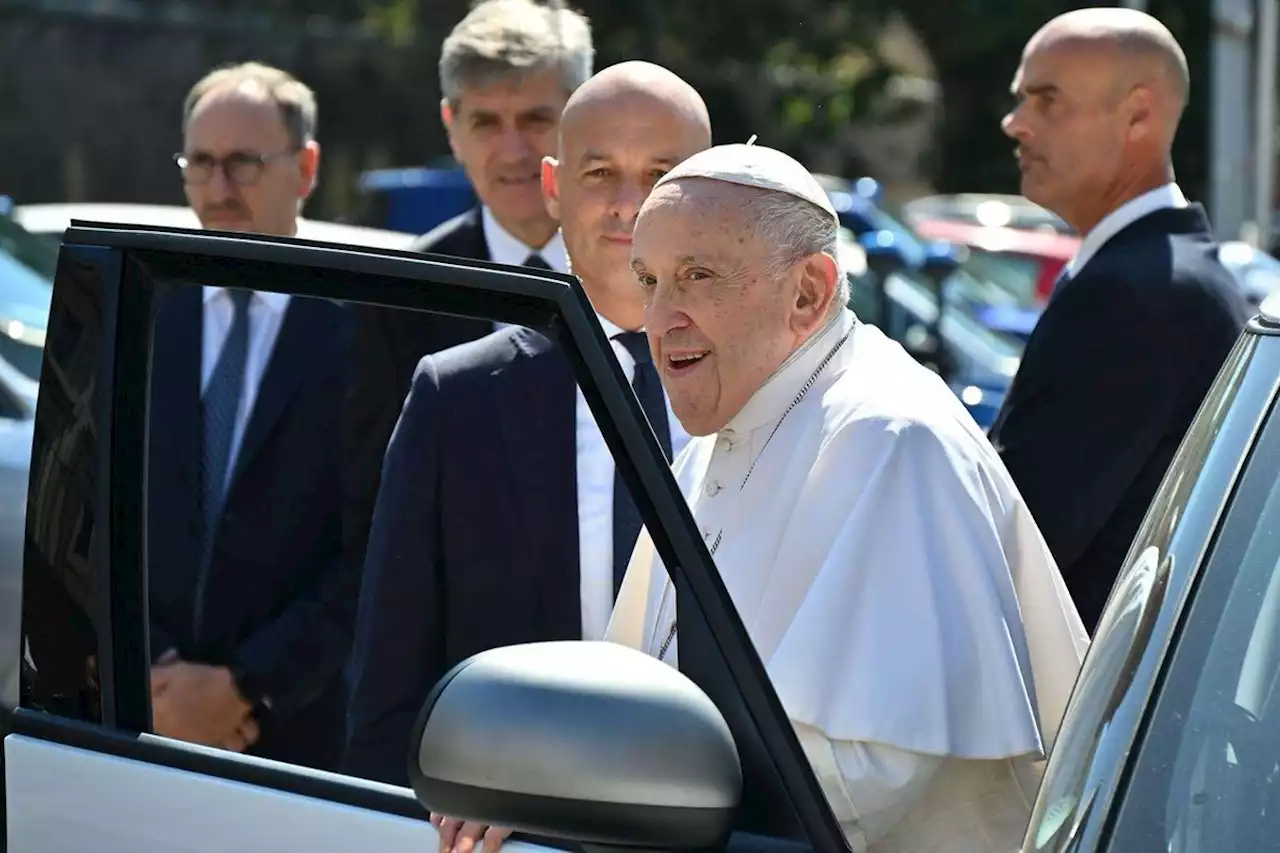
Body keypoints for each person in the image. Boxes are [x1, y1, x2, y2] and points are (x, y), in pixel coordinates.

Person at [431, 144, 1089, 853]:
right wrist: (544, 777)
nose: (658, 318)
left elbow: (857, 780)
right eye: (648, 280)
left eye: (697, 276)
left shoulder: (893, 439)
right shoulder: (721, 437)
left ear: (807, 292)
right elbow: (639, 694)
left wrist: (588, 799)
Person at [341, 61, 713, 786]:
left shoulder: (775, 395)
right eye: (600, 172)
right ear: (553, 187)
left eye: (661, 173)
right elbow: (387, 692)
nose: (630, 204)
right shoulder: (457, 397)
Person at [990, 7, 1250, 631]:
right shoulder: (1157, 276)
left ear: (1139, 113)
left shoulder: (1140, 294)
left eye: (1046, 100)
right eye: (1021, 98)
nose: (1015, 123)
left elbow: (1020, 548)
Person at [147, 62, 359, 772]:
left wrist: (246, 686)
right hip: (141, 717)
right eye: (201, 163)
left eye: (242, 163)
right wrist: (156, 677)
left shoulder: (361, 331)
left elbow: (372, 547)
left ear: (305, 168)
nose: (217, 189)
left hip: (302, 738)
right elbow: (90, 512)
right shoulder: (140, 316)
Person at [342, 0, 594, 578]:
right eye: (485, 122)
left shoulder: (649, 273)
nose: (514, 151)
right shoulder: (401, 297)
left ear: (580, 120)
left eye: (536, 119)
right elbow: (373, 518)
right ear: (452, 130)